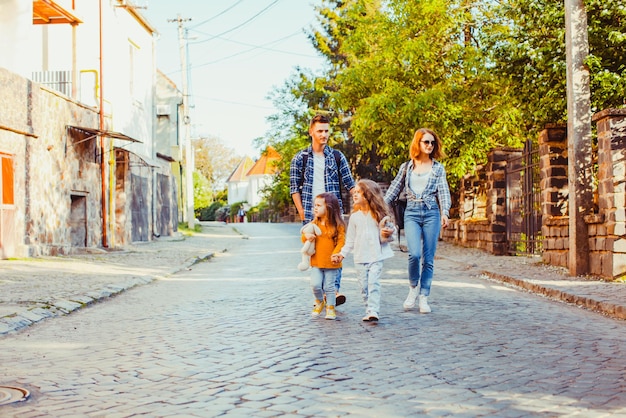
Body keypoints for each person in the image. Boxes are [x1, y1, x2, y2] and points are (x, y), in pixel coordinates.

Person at [290, 114, 355, 306]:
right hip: (312, 215)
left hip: (335, 213)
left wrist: (363, 203)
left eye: (327, 131)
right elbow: (294, 188)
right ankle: (320, 292)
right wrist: (302, 212)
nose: (324, 134)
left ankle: (333, 290)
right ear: (311, 131)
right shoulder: (300, 158)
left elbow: (349, 183)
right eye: (320, 131)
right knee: (316, 252)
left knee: (337, 247)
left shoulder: (336, 157)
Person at [384, 128, 451, 314]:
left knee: (428, 259)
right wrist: (379, 208)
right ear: (418, 144)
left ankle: (424, 296)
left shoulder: (438, 168)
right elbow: (393, 189)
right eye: (426, 142)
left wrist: (445, 212)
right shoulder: (406, 167)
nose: (430, 146)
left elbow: (444, 191)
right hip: (412, 213)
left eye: (432, 143)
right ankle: (413, 288)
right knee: (414, 254)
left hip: (432, 214)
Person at [333, 179, 396, 322]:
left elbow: (392, 232)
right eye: (354, 192)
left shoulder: (379, 215)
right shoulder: (354, 218)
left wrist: (388, 233)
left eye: (358, 192)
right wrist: (342, 254)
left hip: (376, 256)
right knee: (364, 287)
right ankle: (368, 308)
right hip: (360, 258)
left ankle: (373, 310)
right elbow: (350, 240)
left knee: (373, 283)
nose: (354, 195)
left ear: (368, 194)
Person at [304, 192, 346, 320]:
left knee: (329, 287)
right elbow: (304, 237)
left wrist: (336, 253)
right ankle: (319, 300)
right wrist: (307, 237)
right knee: (315, 285)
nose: (315, 208)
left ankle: (330, 308)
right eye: (314, 205)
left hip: (332, 263)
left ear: (329, 207)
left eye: (318, 205)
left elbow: (341, 241)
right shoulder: (314, 224)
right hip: (316, 262)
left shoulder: (338, 225)